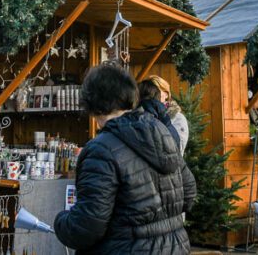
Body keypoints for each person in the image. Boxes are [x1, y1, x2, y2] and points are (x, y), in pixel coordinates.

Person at [55, 64, 196, 254]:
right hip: (174, 248)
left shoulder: (101, 150)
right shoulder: (162, 132)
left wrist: (61, 221)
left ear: (92, 103)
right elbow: (188, 196)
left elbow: (87, 227)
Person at [138, 75, 189, 155]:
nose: (152, 94)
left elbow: (178, 149)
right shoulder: (139, 114)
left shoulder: (178, 118)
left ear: (166, 94)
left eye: (156, 90)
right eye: (148, 90)